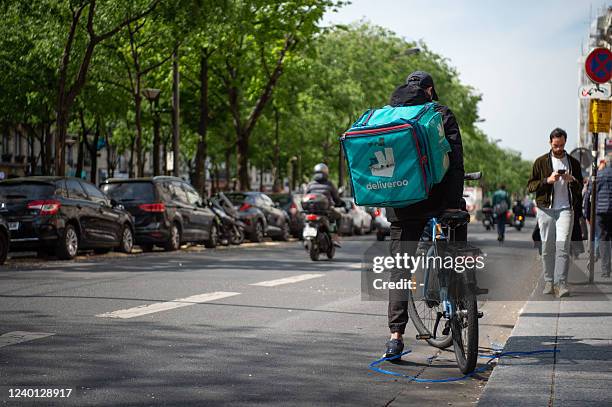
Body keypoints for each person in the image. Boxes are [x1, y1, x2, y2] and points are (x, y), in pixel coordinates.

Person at [383, 71, 465, 359]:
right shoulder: (440, 113)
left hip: (401, 203)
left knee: (400, 270)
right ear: (430, 90)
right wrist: (453, 203)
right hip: (437, 199)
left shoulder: (389, 114)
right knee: (456, 239)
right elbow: (455, 161)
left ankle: (395, 338)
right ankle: (458, 295)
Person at [527, 128, 583, 297]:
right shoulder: (540, 162)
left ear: (565, 143)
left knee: (563, 247)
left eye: (562, 145)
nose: (559, 149)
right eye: (556, 145)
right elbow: (530, 186)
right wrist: (547, 180)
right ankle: (549, 282)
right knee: (547, 249)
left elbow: (580, 187)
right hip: (545, 210)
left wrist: (571, 180)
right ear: (550, 142)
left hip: (566, 209)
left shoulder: (573, 163)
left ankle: (561, 284)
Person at [583, 155, 612, 278]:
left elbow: (588, 196)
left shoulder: (597, 175)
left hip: (599, 212)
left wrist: (587, 214)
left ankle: (606, 269)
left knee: (603, 238)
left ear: (605, 162)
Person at [305, 163, 343, 246]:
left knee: (306, 221)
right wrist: (340, 203)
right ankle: (335, 237)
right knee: (338, 217)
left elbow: (305, 196)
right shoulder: (329, 184)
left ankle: (305, 239)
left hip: (311, 211)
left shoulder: (310, 184)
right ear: (326, 172)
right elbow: (336, 198)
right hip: (326, 211)